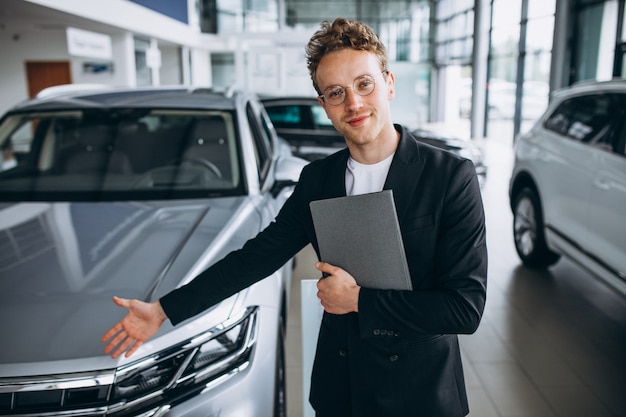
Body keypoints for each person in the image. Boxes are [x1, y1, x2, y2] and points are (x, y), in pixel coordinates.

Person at [102, 17, 487, 417]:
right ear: (324, 106)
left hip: (419, 392)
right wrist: (165, 309)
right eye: (336, 93)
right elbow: (256, 257)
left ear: (388, 83)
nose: (353, 103)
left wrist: (359, 300)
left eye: (364, 84)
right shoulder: (319, 179)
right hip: (343, 388)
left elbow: (464, 308)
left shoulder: (449, 178)